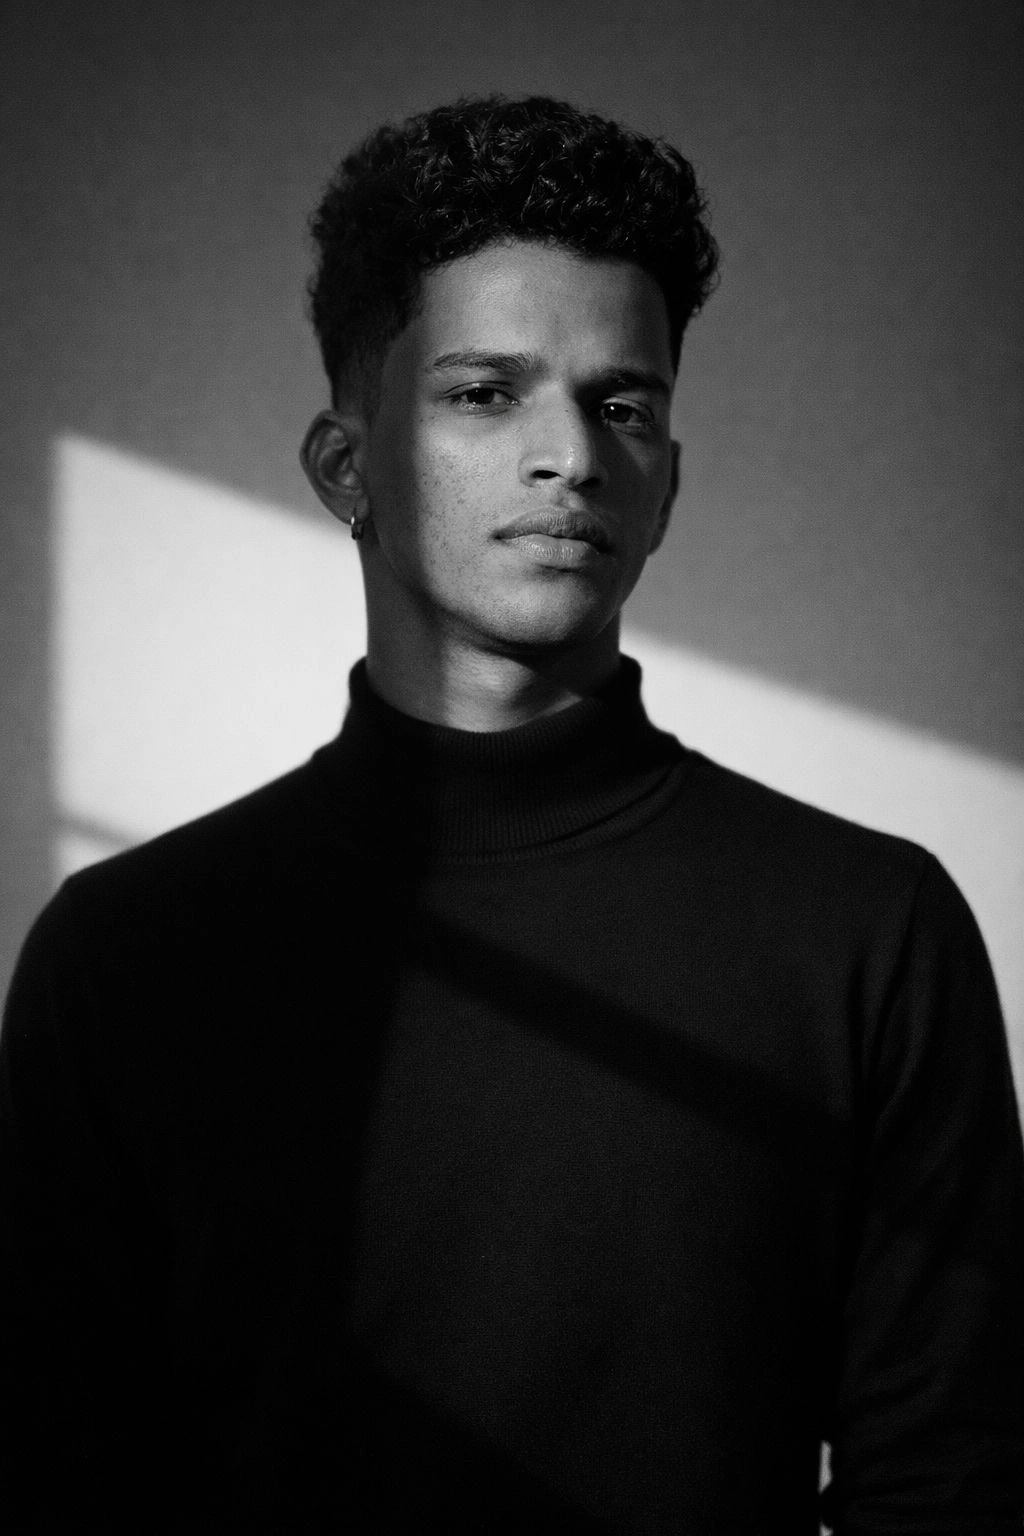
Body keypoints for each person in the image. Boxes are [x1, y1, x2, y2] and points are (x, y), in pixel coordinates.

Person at [1, 94, 1021, 1535]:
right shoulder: (126, 954)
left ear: (669, 484)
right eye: (487, 393)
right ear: (346, 466)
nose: (573, 458)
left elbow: (951, 1486)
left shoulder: (869, 931)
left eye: (623, 406)